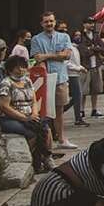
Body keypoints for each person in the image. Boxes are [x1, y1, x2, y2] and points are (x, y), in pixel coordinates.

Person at [0, 55, 54, 173]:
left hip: (28, 115)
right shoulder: (6, 84)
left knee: (46, 129)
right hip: (7, 117)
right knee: (31, 133)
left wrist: (34, 114)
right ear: (10, 69)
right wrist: (24, 118)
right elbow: (4, 107)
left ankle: (47, 158)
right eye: (17, 67)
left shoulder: (27, 80)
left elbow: (34, 100)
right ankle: (30, 162)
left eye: (23, 67)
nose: (21, 70)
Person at [30, 12, 77, 149]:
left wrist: (47, 56)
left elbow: (67, 55)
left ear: (55, 22)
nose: (49, 24)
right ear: (42, 24)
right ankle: (44, 141)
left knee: (59, 111)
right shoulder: (36, 39)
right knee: (43, 112)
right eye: (46, 22)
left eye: (51, 21)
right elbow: (38, 58)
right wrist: (56, 55)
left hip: (60, 78)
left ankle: (62, 140)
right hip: (44, 80)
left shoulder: (64, 36)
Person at [79, 18, 104, 118]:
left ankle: (94, 109)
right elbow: (83, 51)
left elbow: (102, 47)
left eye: (92, 23)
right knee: (84, 90)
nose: (91, 25)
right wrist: (94, 49)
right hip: (85, 66)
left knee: (96, 89)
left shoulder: (96, 35)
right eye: (89, 23)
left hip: (96, 65)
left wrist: (92, 48)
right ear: (84, 24)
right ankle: (81, 110)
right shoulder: (81, 35)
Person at [65, 35, 88, 127]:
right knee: (77, 96)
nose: (78, 37)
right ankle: (77, 118)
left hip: (75, 74)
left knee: (77, 96)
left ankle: (76, 116)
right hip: (71, 74)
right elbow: (67, 63)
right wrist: (79, 68)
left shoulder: (76, 48)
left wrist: (81, 68)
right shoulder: (69, 48)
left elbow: (76, 62)